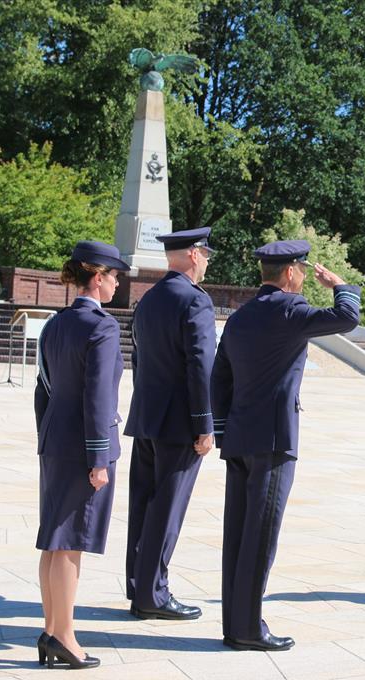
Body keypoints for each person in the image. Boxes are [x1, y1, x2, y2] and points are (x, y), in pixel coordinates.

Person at [210, 239, 361, 650]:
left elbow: (219, 377)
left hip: (239, 438)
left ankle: (234, 624)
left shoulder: (240, 317)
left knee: (238, 535)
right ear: (292, 272)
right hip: (273, 440)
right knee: (260, 537)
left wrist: (223, 432)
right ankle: (247, 630)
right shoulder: (290, 310)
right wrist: (341, 284)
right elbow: (347, 318)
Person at [34, 240, 129, 669]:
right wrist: (98, 457)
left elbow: (45, 389)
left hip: (55, 439)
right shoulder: (102, 327)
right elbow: (99, 398)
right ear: (98, 277)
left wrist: (48, 436)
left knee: (54, 542)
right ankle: (66, 636)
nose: (116, 285)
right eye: (113, 277)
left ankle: (52, 630)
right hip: (84, 445)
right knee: (69, 543)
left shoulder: (55, 323)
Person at [124, 227, 216, 620]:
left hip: (146, 416)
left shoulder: (149, 299)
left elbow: (138, 359)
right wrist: (205, 424)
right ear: (194, 254)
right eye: (207, 254)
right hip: (180, 424)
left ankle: (138, 586)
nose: (208, 261)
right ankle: (153, 595)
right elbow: (200, 366)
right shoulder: (194, 301)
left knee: (144, 505)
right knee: (167, 508)